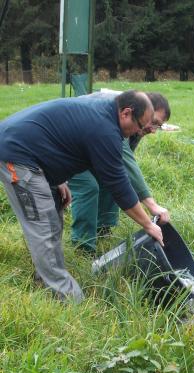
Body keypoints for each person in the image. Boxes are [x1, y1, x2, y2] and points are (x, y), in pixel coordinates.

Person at [0, 90, 163, 303]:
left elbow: (58, 137)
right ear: (126, 113)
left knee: (53, 220)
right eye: (140, 126)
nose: (139, 132)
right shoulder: (105, 130)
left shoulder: (106, 114)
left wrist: (57, 179)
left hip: (32, 152)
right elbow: (119, 185)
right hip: (16, 154)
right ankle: (68, 299)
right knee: (43, 225)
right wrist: (148, 225)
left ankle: (44, 280)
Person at [69, 91, 171, 253]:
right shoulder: (123, 115)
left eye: (158, 126)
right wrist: (152, 205)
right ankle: (83, 246)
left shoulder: (138, 124)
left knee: (112, 181)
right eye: (154, 122)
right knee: (89, 187)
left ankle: (103, 231)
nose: (153, 130)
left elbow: (119, 168)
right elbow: (124, 159)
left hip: (89, 147)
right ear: (144, 110)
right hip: (67, 146)